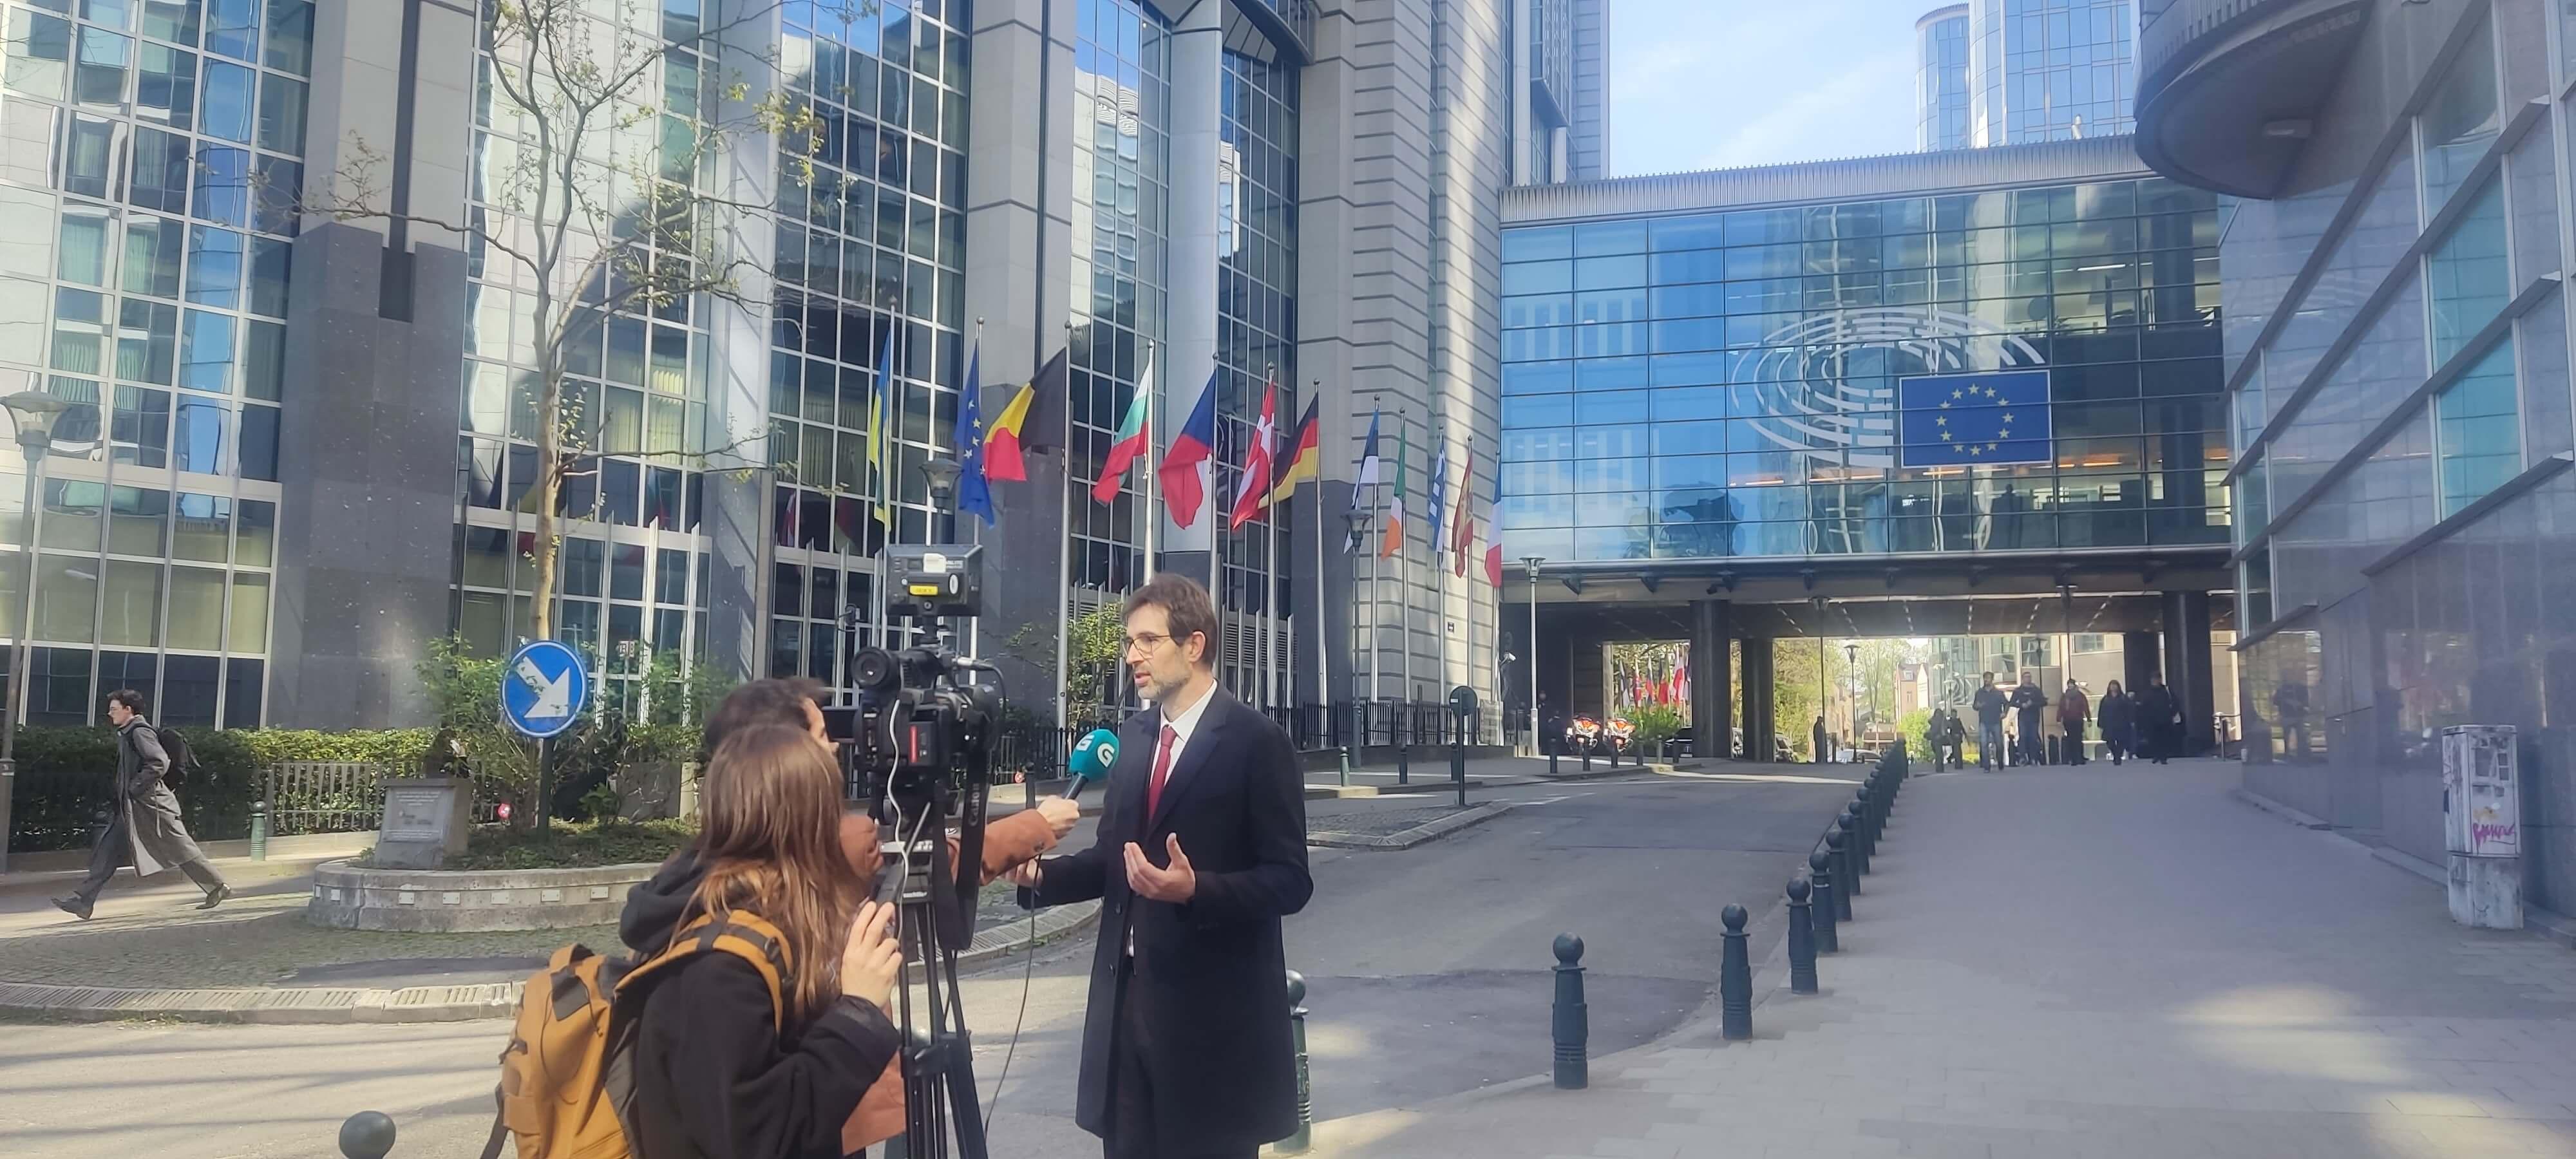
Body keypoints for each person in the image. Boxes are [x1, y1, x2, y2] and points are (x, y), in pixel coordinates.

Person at [1014, 573, 1312, 1159]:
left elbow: (1290, 880)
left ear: (1194, 645)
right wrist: (1041, 877)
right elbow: (1112, 859)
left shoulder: (1257, 742)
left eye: (1147, 641)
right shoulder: (1133, 738)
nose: (1132, 657)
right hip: (1127, 1011)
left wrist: (1196, 889)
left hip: (1213, 1028)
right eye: (1131, 643)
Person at [619, 723, 908, 1159]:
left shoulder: (757, 928)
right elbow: (762, 1138)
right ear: (807, 825)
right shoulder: (719, 969)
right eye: (831, 808)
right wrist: (859, 1015)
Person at [53, 690, 227, 921]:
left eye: (114, 709)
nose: (110, 713)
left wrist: (134, 788)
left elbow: (159, 762)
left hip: (152, 806)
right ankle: (83, 901)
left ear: (129, 710)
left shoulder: (140, 732)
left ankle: (217, 886)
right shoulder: (128, 733)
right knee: (109, 850)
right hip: (134, 807)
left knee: (181, 847)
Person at [2135, 677, 2180, 765]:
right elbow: (2143, 706)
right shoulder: (2148, 692)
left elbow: (2175, 702)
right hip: (2152, 721)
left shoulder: (2166, 691)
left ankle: (2163, 756)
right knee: (2153, 739)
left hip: (2164, 719)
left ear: (2160, 680)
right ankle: (2157, 755)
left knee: (2164, 739)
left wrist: (2171, 714)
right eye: (2153, 680)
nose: (2155, 682)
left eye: (2156, 680)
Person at [1971, 673, 2007, 771]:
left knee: (1999, 744)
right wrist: (1978, 706)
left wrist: (2004, 713)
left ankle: (2000, 762)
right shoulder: (1979, 693)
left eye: (1988, 678)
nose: (1986, 680)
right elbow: (1975, 706)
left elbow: (2006, 704)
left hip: (1996, 721)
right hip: (1984, 721)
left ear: (1992, 679)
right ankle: (1987, 766)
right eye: (1985, 678)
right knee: (1984, 744)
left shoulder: (1998, 693)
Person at [2097, 680, 2136, 766]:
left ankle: (2118, 757)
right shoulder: (2105, 699)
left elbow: (2129, 711)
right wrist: (2100, 723)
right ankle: (2116, 754)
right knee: (2110, 742)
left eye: (2115, 685)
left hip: (2121, 723)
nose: (2114, 687)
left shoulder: (2123, 698)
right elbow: (2102, 712)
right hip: (2109, 724)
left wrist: (2131, 721)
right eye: (2112, 685)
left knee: (2121, 741)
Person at [2058, 679, 2090, 766]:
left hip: (2077, 720)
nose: (2070, 687)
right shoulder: (2068, 696)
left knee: (2077, 739)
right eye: (2069, 685)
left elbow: (2085, 707)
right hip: (2069, 720)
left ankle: (2077, 758)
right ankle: (2076, 758)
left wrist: (2089, 718)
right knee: (2073, 739)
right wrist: (2059, 718)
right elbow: (2061, 708)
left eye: (2071, 685)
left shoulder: (2078, 696)